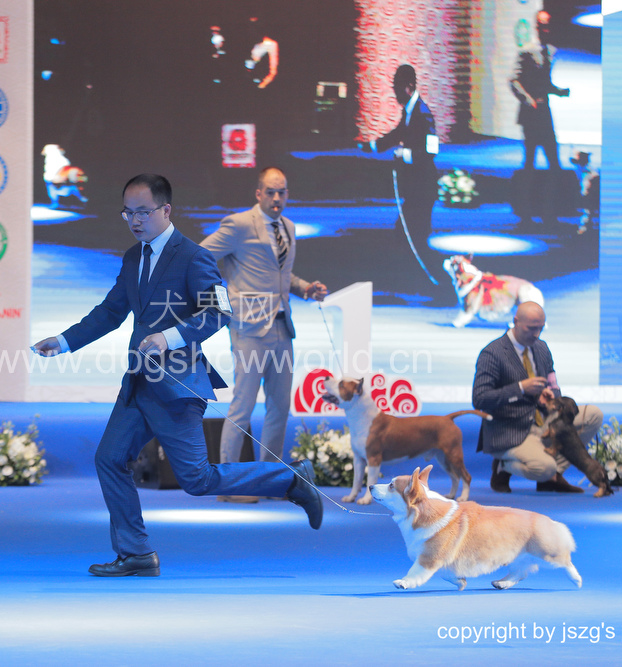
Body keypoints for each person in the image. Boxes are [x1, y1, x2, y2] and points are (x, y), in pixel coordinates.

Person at [33, 174, 322, 577]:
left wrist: (169, 337)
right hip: (139, 383)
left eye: (143, 212)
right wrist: (64, 341)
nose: (135, 220)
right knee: (110, 459)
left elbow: (218, 312)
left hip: (177, 386)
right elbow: (110, 312)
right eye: (128, 213)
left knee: (196, 479)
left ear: (166, 210)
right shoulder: (133, 257)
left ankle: (290, 479)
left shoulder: (193, 256)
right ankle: (136, 552)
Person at [201, 167, 327, 503]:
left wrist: (305, 288)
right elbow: (200, 256)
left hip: (282, 327)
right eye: (270, 191)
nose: (276, 198)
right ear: (258, 193)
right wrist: (220, 299)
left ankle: (269, 481)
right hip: (249, 329)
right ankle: (228, 485)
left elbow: (281, 276)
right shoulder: (239, 224)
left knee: (279, 408)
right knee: (242, 407)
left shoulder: (288, 227)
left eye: (282, 192)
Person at [472, 301, 603, 493]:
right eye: (531, 328)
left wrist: (551, 396)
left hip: (543, 421)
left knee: (593, 415)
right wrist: (520, 388)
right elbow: (480, 398)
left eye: (541, 328)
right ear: (515, 321)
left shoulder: (541, 348)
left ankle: (553, 475)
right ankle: (503, 466)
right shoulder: (492, 353)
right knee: (543, 467)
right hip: (510, 430)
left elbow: (554, 384)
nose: (537, 334)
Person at [369, 64, 441, 285]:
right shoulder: (410, 110)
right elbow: (399, 133)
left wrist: (405, 154)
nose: (395, 93)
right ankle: (421, 281)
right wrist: (374, 146)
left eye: (397, 88)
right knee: (409, 234)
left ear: (409, 87)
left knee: (412, 235)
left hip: (424, 188)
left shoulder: (423, 114)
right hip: (416, 188)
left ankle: (432, 282)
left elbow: (431, 150)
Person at [510, 10, 570, 172]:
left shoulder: (550, 50)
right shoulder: (527, 51)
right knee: (530, 156)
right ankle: (528, 186)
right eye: (543, 26)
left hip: (543, 110)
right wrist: (527, 99)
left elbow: (544, 83)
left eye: (548, 26)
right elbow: (514, 80)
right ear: (536, 27)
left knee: (552, 153)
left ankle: (555, 185)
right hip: (531, 111)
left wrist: (558, 91)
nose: (546, 29)